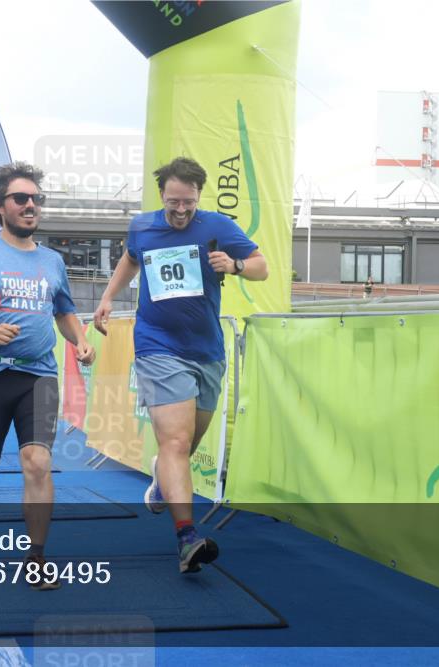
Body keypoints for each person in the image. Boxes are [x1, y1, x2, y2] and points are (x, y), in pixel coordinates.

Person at [93, 156, 268, 574]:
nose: (181, 210)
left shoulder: (218, 226)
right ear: (161, 195)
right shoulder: (142, 227)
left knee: (184, 446)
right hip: (157, 346)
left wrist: (236, 265)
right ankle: (187, 537)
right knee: (174, 443)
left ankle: (162, 479)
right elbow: (131, 259)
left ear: (198, 196)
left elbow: (261, 267)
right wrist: (108, 296)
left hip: (207, 351)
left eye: (188, 202)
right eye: (174, 202)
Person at [0, 161, 95, 589]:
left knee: (38, 462)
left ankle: (36, 557)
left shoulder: (53, 262)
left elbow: (64, 312)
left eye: (36, 199)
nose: (31, 205)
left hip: (39, 377)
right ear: (0, 206)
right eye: (21, 198)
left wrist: (80, 340)